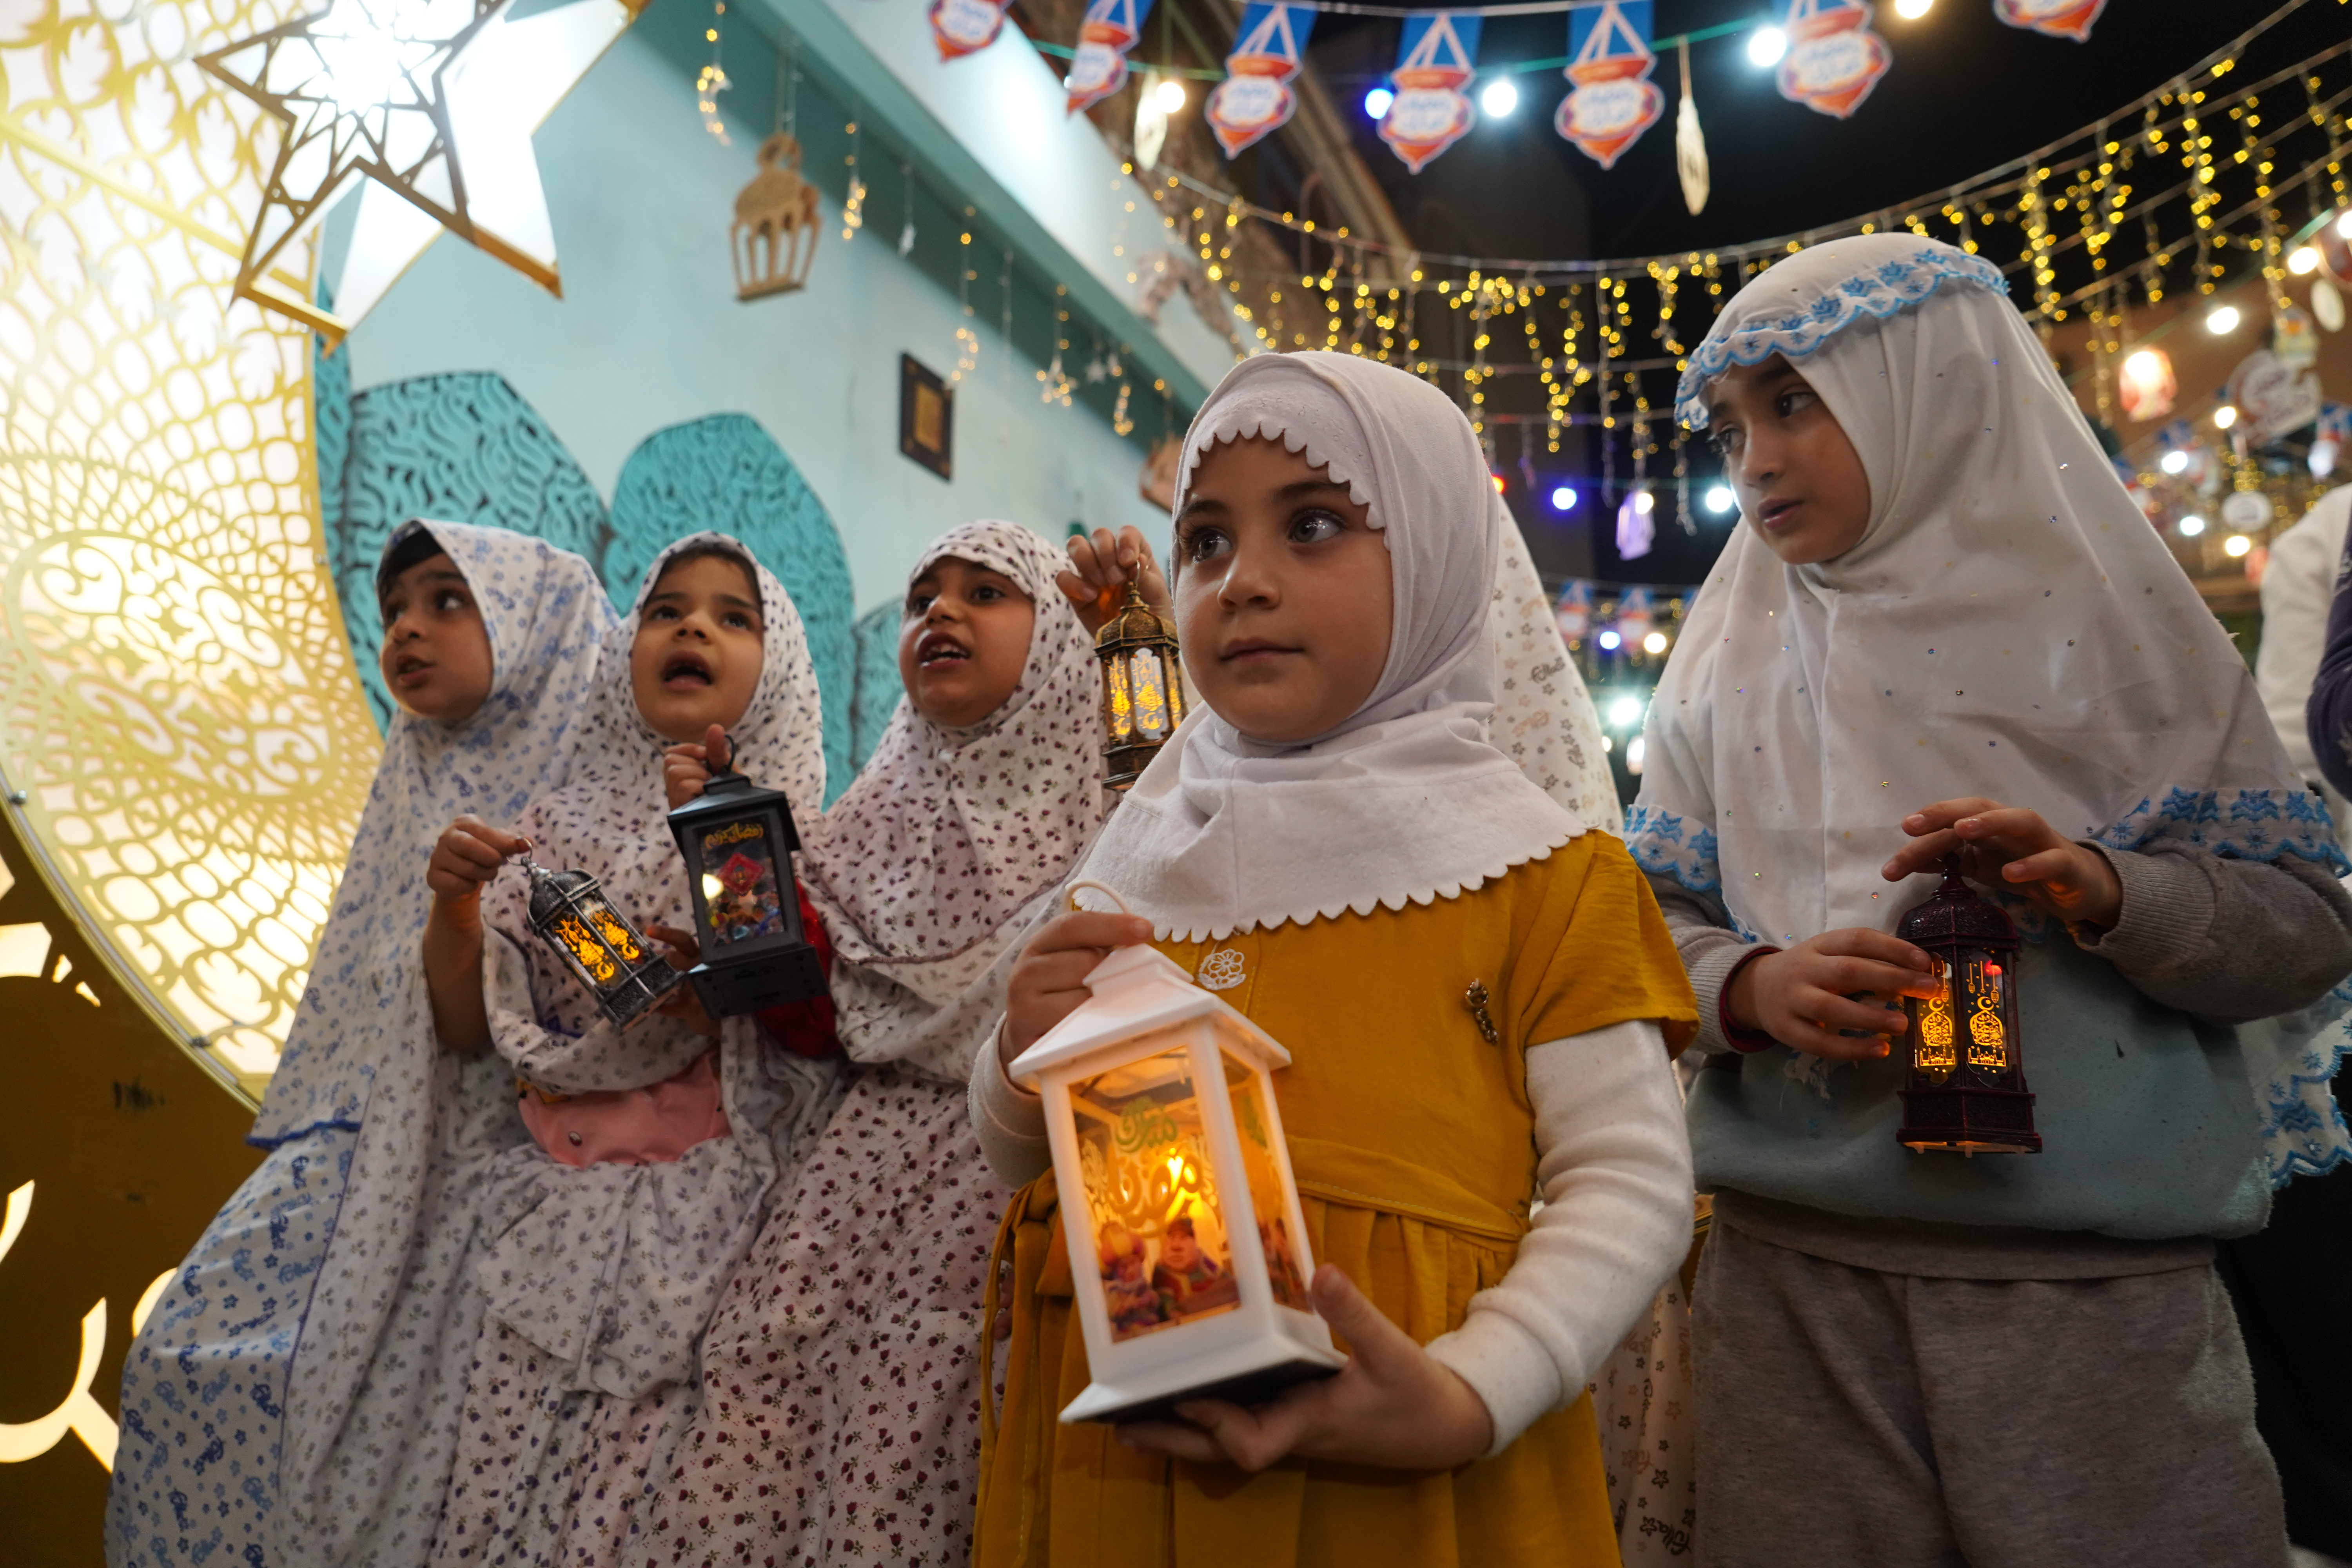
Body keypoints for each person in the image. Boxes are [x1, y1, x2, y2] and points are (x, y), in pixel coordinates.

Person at [1630, 232, 2352, 1566]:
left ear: (1934, 386)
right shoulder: (1724, 672)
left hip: (2092, 1302)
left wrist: (2109, 891)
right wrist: (1747, 985)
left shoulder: (2127, 643)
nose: (1757, 460)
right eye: (1731, 426)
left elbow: (2305, 929)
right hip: (1795, 1286)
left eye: (1796, 401)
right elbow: (1640, 930)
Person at [969, 350, 1699, 1567]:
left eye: (1312, 526)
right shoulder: (1138, 852)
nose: (1242, 582)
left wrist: (1471, 1392)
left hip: (1405, 1466)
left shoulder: (1543, 869)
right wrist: (1011, 1058)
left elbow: (1629, 1183)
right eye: (1204, 542)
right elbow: (1022, 1152)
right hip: (1122, 1448)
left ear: (1435, 563)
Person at [107, 521, 612, 1568]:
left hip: (509, 1180)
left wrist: (481, 919)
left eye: (446, 600)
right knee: (186, 1356)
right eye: (392, 615)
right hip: (352, 1146)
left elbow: (609, 994)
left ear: (534, 620)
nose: (407, 631)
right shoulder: (415, 776)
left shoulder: (599, 798)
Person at [637, 518, 1117, 1568]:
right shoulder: (869, 823)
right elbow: (812, 1018)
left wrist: (1142, 636)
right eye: (921, 597)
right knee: (764, 1409)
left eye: (986, 592)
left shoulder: (1125, 807)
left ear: (1062, 644)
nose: (940, 611)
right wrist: (722, 838)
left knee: (935, 1442)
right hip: (851, 1187)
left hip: (1021, 1174)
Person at [427, 535, 840, 1566]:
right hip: (552, 1227)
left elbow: (792, 1024)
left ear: (779, 669)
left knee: (652, 1500)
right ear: (624, 652)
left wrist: (703, 827)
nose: (694, 626)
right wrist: (456, 911)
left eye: (734, 618)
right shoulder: (547, 831)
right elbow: (469, 1030)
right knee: (501, 1495)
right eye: (667, 610)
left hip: (715, 1233)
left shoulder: (796, 841)